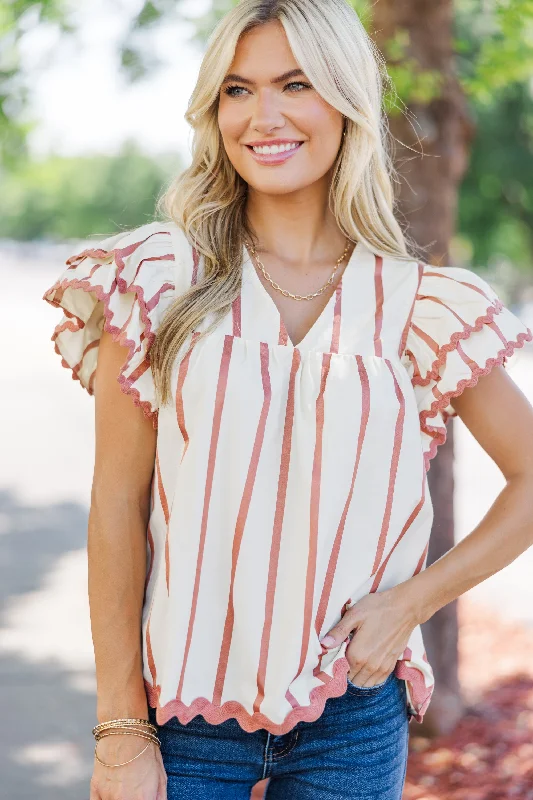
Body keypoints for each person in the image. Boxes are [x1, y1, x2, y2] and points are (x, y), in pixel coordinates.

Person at [42, 1, 533, 798]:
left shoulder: (419, 305)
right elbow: (117, 506)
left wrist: (412, 603)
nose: (261, 116)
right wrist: (120, 727)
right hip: (178, 721)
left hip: (352, 715)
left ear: (344, 100)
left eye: (293, 84)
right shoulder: (163, 278)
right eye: (236, 90)